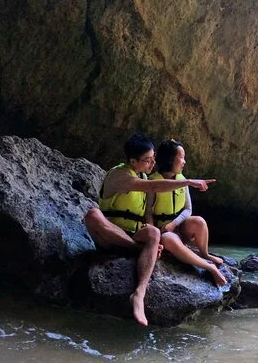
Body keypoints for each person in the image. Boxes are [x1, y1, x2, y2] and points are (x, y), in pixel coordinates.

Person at [83, 134, 212, 326]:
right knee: (92, 214)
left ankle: (139, 293)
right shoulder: (119, 176)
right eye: (148, 159)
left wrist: (155, 231)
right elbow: (154, 186)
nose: (153, 163)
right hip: (109, 238)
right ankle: (138, 249)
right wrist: (189, 182)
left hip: (133, 235)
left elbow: (150, 214)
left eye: (153, 158)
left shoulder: (143, 174)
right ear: (133, 161)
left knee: (153, 232)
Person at [145, 139, 226, 286]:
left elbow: (188, 209)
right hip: (163, 231)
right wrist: (153, 234)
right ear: (170, 159)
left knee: (199, 221)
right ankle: (209, 266)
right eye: (181, 157)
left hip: (179, 227)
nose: (184, 162)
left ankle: (205, 254)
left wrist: (174, 223)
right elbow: (148, 212)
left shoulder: (182, 180)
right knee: (169, 239)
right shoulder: (153, 181)